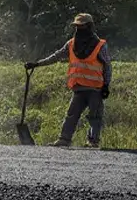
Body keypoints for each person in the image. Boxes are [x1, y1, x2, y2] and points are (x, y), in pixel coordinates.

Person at [26, 12, 112, 148]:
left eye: (81, 26)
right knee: (71, 115)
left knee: (95, 116)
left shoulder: (100, 45)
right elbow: (56, 56)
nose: (78, 29)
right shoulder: (71, 44)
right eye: (77, 26)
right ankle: (64, 140)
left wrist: (106, 85)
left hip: (95, 88)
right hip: (78, 88)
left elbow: (107, 65)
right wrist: (37, 64)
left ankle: (93, 142)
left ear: (89, 26)